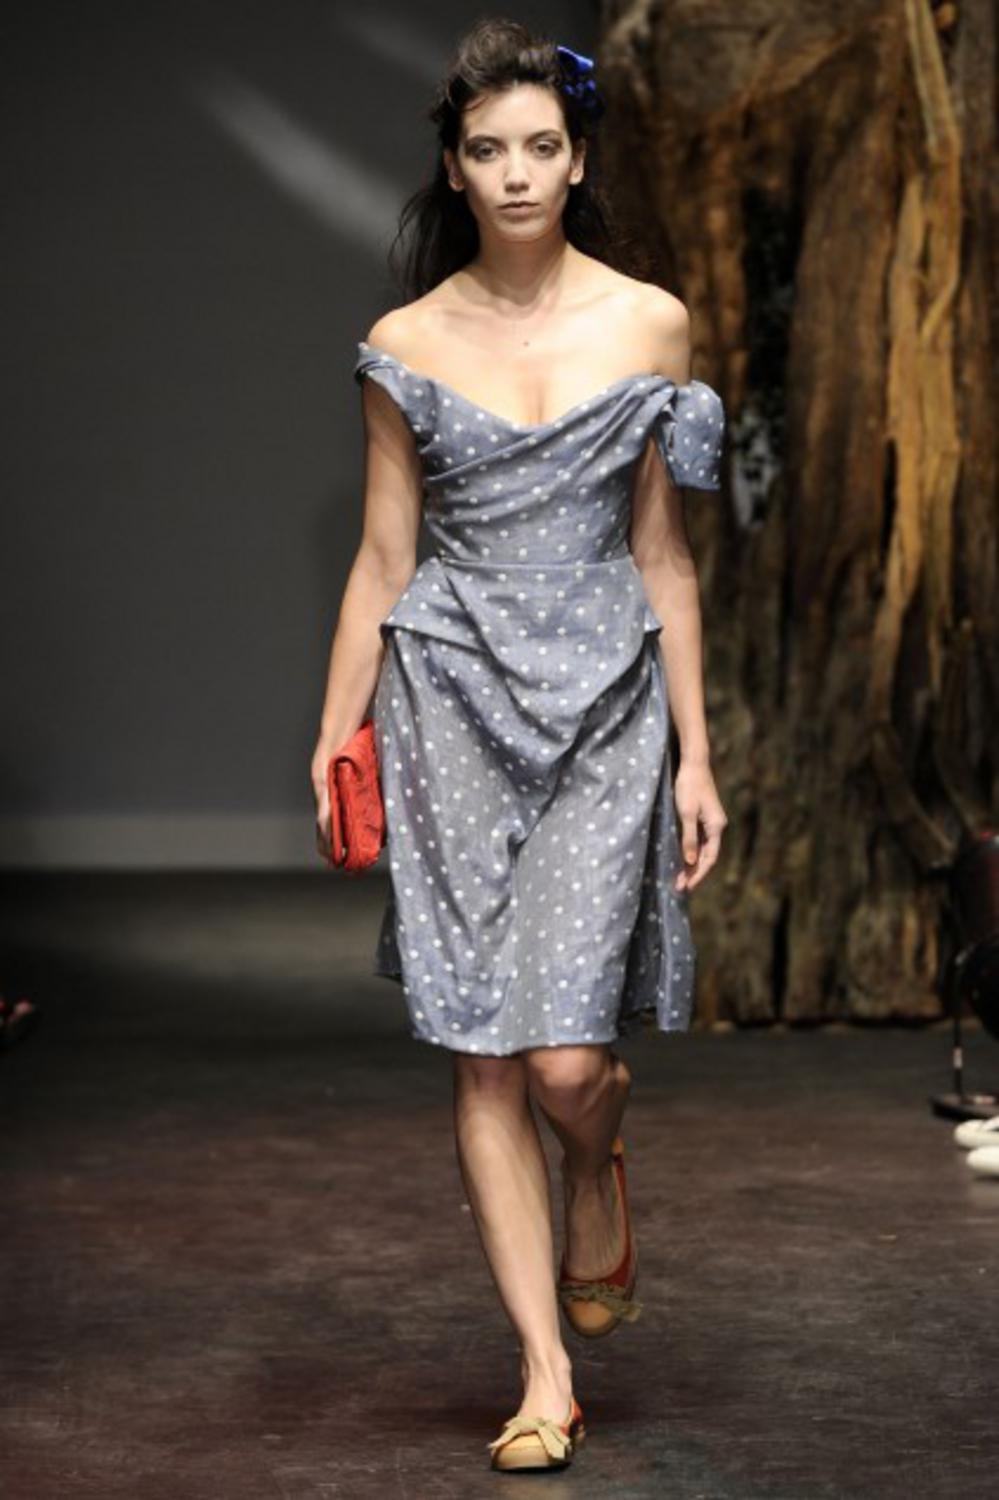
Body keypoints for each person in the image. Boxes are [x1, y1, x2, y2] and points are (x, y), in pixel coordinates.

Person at [311, 17, 728, 1473]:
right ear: (454, 167)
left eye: (541, 145)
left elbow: (665, 556)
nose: (516, 173)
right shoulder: (406, 344)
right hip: (446, 701)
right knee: (484, 1050)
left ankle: (596, 1160)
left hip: (606, 698)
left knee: (565, 1063)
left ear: (577, 159)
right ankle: (546, 1374)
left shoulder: (652, 325)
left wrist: (697, 753)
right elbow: (383, 556)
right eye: (487, 149)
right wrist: (336, 728)